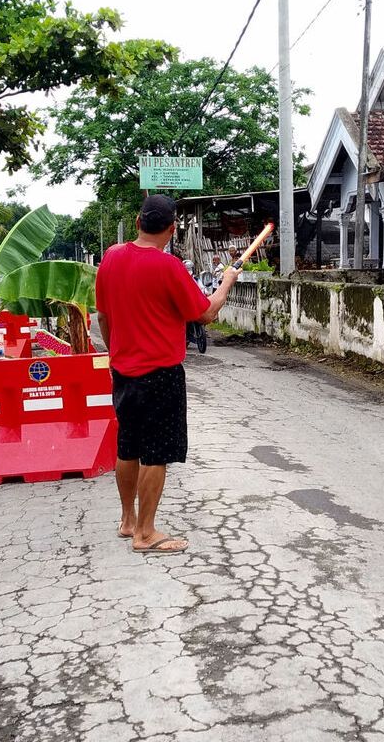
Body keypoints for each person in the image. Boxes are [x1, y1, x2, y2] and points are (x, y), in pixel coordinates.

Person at [95, 194, 239, 554]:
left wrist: (116, 353)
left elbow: (102, 317)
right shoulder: (169, 266)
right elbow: (205, 313)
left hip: (123, 370)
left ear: (138, 222)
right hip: (160, 373)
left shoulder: (110, 257)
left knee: (128, 446)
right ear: (172, 228)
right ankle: (145, 533)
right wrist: (227, 282)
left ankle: (128, 521)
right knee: (155, 454)